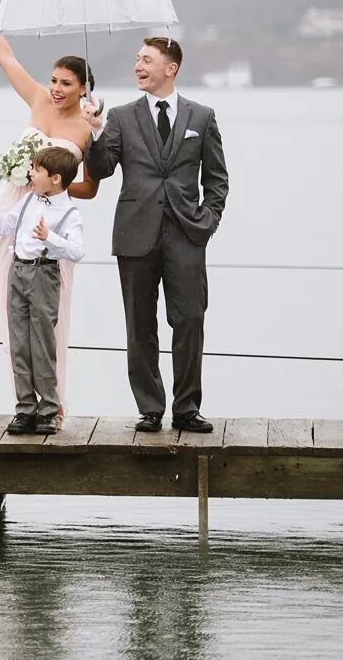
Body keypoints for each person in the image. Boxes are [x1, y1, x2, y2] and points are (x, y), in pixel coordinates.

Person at [84, 37, 228, 433]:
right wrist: (94, 132)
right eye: (136, 60)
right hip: (135, 235)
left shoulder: (202, 116)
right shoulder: (120, 116)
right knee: (139, 324)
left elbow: (217, 180)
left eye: (146, 60)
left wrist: (208, 221)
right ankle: (150, 409)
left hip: (187, 234)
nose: (138, 66)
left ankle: (186, 409)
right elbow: (101, 169)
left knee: (189, 320)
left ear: (171, 67)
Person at [0, 0, 99, 417]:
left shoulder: (88, 126)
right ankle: (23, 403)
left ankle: (54, 402)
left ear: (84, 88)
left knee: (49, 319)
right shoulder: (38, 100)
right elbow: (6, 58)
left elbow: (90, 188)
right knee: (14, 320)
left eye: (67, 83)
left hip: (53, 227)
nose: (57, 88)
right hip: (14, 216)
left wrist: (52, 187)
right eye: (54, 80)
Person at [0, 147, 86, 435]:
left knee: (42, 343)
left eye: (36, 169)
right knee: (18, 341)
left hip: (44, 273)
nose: (31, 173)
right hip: (18, 271)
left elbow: (77, 250)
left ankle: (48, 409)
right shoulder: (29, 199)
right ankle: (24, 408)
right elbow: (6, 225)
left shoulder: (69, 212)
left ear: (55, 178)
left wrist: (50, 237)